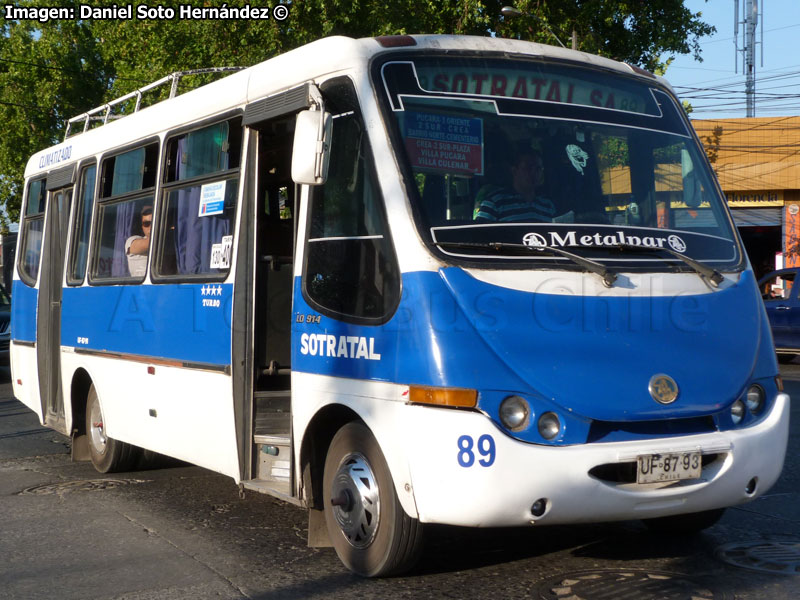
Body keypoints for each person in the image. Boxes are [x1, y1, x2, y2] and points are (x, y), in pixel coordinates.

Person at [474, 150, 557, 222]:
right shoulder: (494, 203)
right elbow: (480, 235)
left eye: (538, 169)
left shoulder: (548, 205)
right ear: (514, 171)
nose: (534, 173)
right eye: (528, 168)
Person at [125, 206, 152, 277]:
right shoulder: (132, 240)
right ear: (142, 226)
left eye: (154, 222)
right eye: (146, 224)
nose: (151, 227)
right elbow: (152, 242)